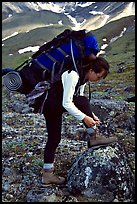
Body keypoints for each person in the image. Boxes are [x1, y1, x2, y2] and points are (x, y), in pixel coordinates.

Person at [40, 31, 117, 186]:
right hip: (51, 104)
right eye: (99, 76)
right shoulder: (72, 74)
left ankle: (47, 174)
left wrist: (92, 116)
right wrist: (85, 118)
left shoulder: (82, 78)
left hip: (53, 105)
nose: (98, 80)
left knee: (54, 138)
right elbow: (68, 103)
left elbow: (83, 105)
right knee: (55, 137)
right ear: (91, 70)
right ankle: (94, 137)